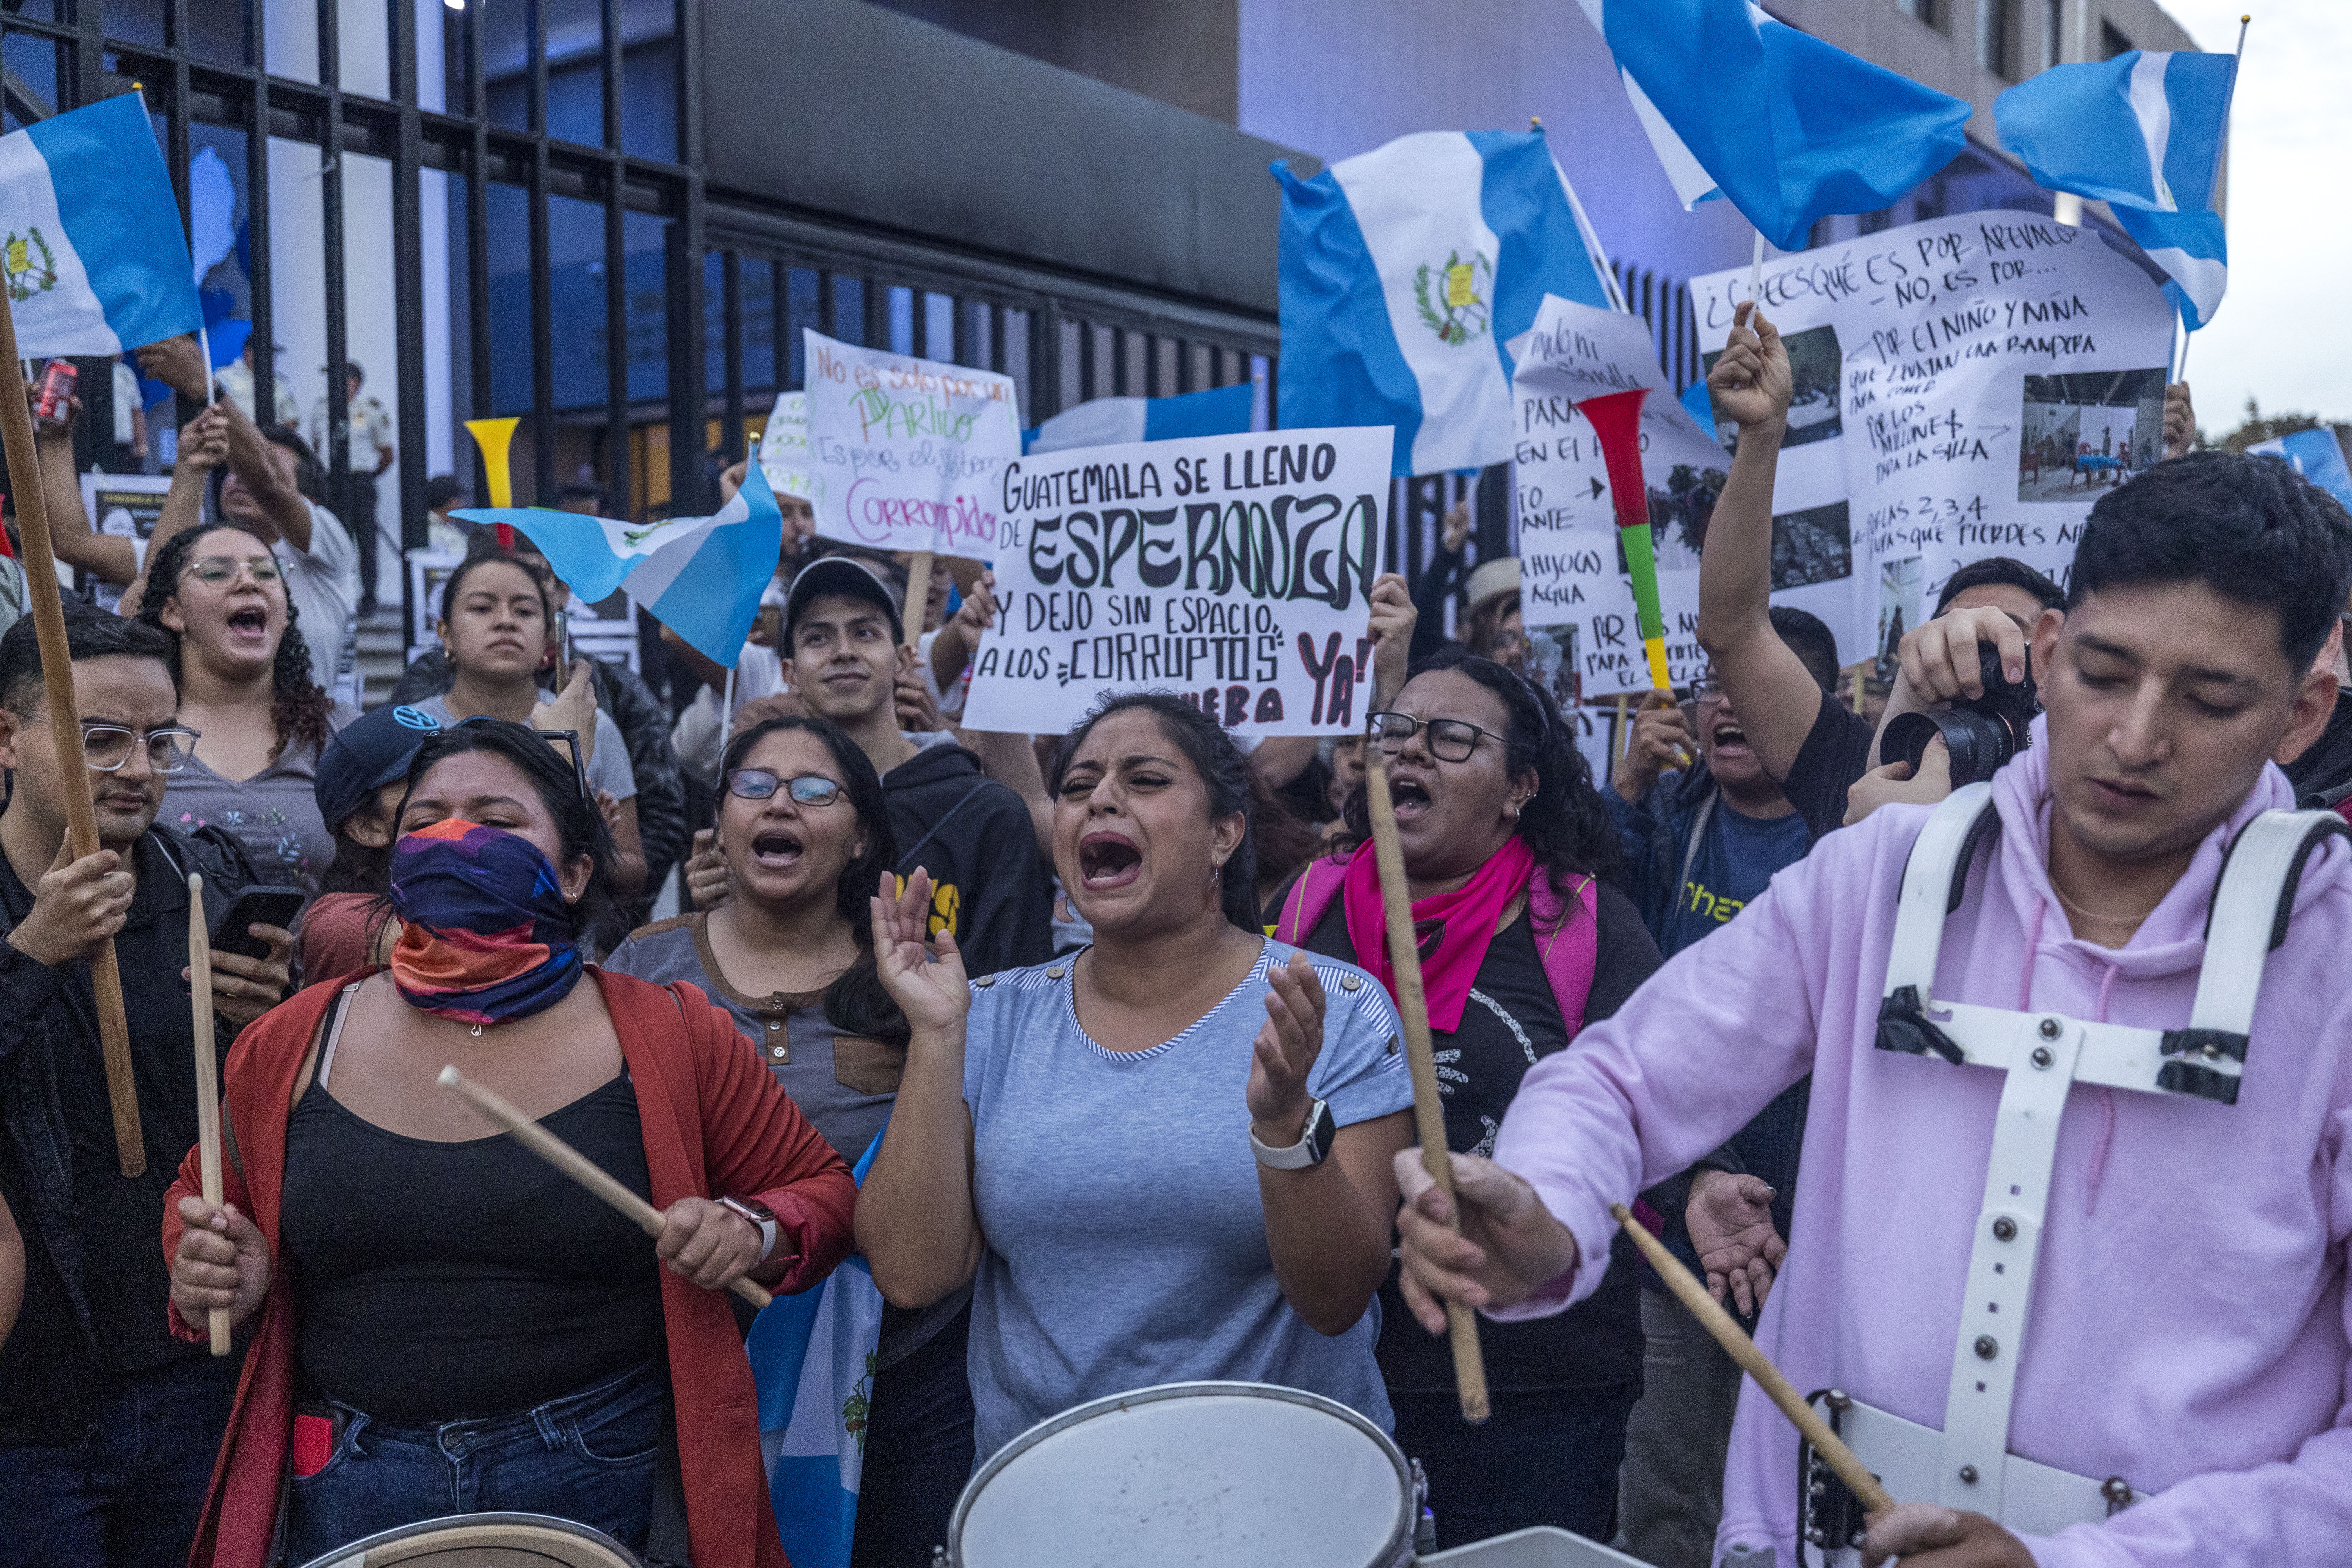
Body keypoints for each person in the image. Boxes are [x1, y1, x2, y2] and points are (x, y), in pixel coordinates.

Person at [1394, 452, 2352, 1567]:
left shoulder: (2333, 967)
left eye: (2210, 699)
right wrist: (1546, 1202)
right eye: (2103, 673)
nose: (2136, 739)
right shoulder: (1883, 875)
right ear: (2046, 656)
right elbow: (1625, 1076)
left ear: (2303, 712)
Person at [163, 718, 859, 1567]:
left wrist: (751, 1227)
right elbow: (205, 1210)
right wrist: (215, 1268)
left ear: (573, 872)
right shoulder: (291, 1042)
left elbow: (818, 1194)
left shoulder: (673, 1033)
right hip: (348, 1479)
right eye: (425, 821)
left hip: (603, 1474)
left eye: (496, 820)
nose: (455, 839)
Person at [858, 693, 1416, 1470]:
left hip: (1287, 1501)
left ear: (1224, 833)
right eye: (1078, 785)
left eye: (1145, 779)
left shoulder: (1331, 1009)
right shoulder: (985, 1015)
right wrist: (938, 1034)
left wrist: (1287, 1127)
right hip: (1045, 1506)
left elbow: (1336, 1298)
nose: (1102, 799)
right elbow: (911, 1273)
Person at [1267, 648, 1659, 1548]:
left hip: (1536, 1378)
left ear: (1521, 785)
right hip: (1335, 1368)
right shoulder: (1306, 907)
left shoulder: (1586, 924)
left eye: (1449, 738)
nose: (1409, 753)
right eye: (1396, 732)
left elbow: (1645, 1106)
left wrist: (1708, 1187)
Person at [607, 715, 977, 1565]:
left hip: (895, 1390)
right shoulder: (642, 966)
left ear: (859, 841)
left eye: (815, 790)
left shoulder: (920, 982)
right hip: (690, 1374)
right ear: (722, 823)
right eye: (755, 785)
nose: (781, 803)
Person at [0, 604, 294, 1568]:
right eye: (99, 738)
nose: (136, 767)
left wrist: (265, 1028)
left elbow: (264, 1117)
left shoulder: (203, 878)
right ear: (7, 736)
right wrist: (34, 955)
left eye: (158, 738)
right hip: (29, 1399)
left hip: (191, 1369)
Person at [1603, 623, 1832, 1568]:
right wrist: (1620, 796)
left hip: (1823, 1236)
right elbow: (1606, 964)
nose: (1726, 702)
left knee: (1804, 1497)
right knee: (1664, 1495)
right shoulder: (1667, 820)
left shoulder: (1865, 835)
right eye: (1711, 684)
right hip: (1679, 1228)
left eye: (1754, 681)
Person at [1696, 306, 2062, 842]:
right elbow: (1732, 630)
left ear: (2058, 659)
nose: (1963, 649)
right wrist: (1761, 434)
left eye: (2000, 635)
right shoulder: (1859, 774)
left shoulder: (2091, 811)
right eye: (1951, 630)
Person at [765, 556, 1052, 978]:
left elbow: (1014, 990)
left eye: (864, 632)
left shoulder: (986, 812)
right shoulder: (770, 814)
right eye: (818, 638)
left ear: (903, 659)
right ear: (790, 673)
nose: (844, 652)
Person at [392, 533, 687, 911]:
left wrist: (589, 833)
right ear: (444, 632)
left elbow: (633, 874)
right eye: (482, 608)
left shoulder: (593, 728)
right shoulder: (410, 730)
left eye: (526, 611)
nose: (505, 622)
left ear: (548, 635)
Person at [135, 526, 345, 900]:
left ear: (284, 614)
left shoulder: (340, 735)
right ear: (173, 612)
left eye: (267, 572)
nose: (249, 582)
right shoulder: (133, 735)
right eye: (217, 572)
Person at [299, 702, 446, 984]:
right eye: (419, 778)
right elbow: (469, 950)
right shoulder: (340, 922)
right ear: (366, 829)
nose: (451, 784)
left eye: (452, 767)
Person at [307, 360, 394, 616]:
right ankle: (336, 595)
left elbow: (387, 453)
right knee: (333, 538)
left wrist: (367, 476)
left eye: (345, 379)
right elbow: (317, 447)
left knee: (366, 543)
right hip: (331, 483)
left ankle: (369, 598)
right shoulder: (321, 409)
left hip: (360, 483)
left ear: (356, 383)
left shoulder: (371, 411)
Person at [212, 337, 297, 427]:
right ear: (248, 352)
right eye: (266, 353)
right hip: (236, 437)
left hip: (271, 439)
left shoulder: (280, 382)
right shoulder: (224, 376)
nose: (271, 358)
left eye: (272, 354)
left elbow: (291, 419)